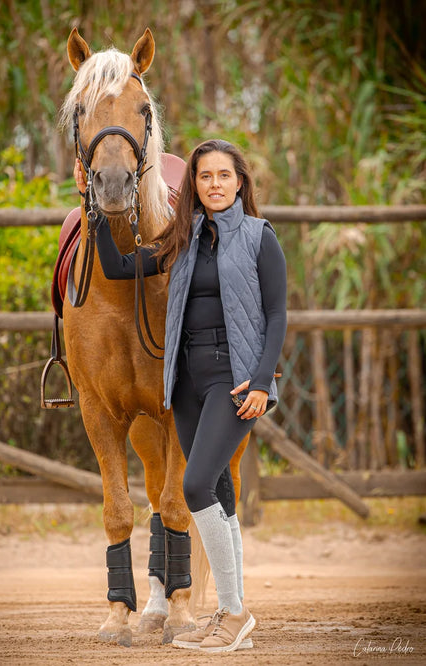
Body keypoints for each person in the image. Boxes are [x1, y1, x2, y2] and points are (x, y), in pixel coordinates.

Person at [73, 139, 287, 653]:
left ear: (240, 183)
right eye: (205, 176)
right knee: (222, 494)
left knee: (193, 486)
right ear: (192, 184)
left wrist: (261, 382)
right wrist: (97, 210)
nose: (214, 184)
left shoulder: (260, 237)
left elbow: (278, 314)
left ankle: (233, 614)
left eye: (224, 176)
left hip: (231, 381)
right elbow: (123, 267)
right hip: (185, 382)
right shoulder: (182, 239)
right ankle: (231, 613)